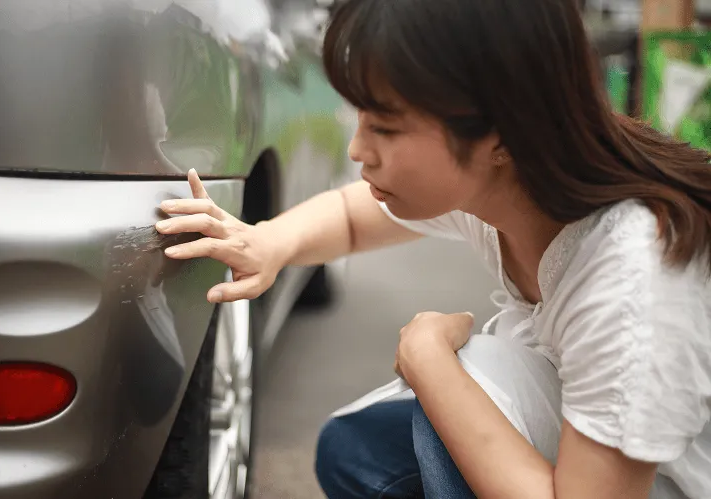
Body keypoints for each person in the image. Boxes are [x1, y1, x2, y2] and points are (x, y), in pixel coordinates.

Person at [155, 0, 711, 497]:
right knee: (358, 450)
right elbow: (355, 215)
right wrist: (268, 242)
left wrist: (430, 361)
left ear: (500, 134)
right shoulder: (508, 183)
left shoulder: (630, 276)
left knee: (465, 379)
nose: (357, 150)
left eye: (385, 129)